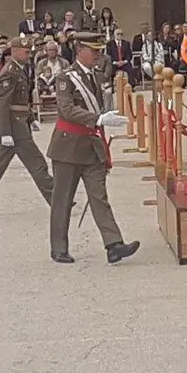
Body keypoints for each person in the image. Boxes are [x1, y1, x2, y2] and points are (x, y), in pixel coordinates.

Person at [47, 32, 139, 264]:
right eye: (93, 50)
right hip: (68, 146)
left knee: (99, 197)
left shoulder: (96, 76)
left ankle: (114, 244)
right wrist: (97, 119)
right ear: (79, 50)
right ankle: (58, 247)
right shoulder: (66, 78)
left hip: (91, 146)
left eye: (99, 50)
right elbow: (66, 110)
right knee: (63, 199)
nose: (98, 55)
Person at [0, 38, 54, 218]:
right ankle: (57, 199)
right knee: (37, 164)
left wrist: (30, 118)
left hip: (20, 123)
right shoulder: (9, 72)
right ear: (14, 51)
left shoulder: (19, 69)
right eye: (26, 52)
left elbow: (20, 100)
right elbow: (3, 103)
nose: (29, 55)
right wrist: (5, 132)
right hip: (15, 128)